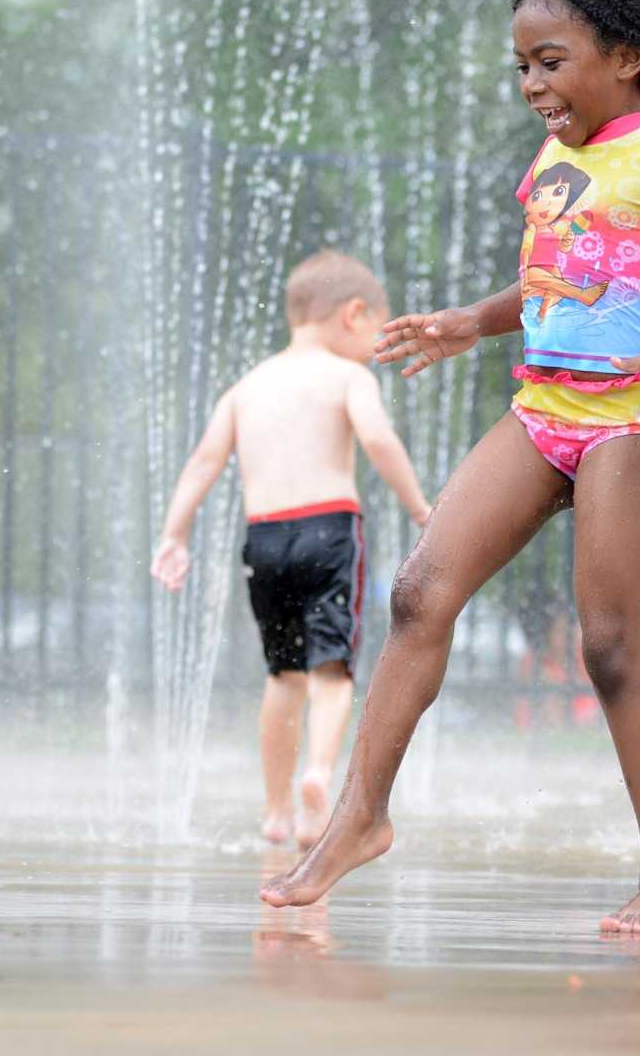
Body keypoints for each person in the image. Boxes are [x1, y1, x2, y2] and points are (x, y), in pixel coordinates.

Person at [260, 0, 640, 934]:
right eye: (521, 64)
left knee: (607, 646)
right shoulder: (558, 158)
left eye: (550, 60)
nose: (531, 82)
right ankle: (358, 816)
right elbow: (560, 279)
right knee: (418, 592)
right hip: (543, 407)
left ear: (626, 54)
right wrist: (472, 320)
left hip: (631, 418)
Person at [152, 250, 433, 847]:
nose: (372, 349)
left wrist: (174, 535)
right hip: (329, 531)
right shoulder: (348, 378)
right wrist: (419, 507)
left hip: (265, 537)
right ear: (353, 315)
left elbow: (203, 463)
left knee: (282, 675)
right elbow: (378, 440)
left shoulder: (246, 387)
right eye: (375, 331)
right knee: (331, 670)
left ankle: (277, 811)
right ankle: (318, 774)